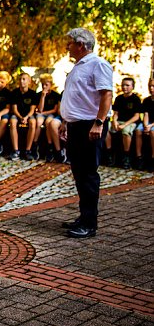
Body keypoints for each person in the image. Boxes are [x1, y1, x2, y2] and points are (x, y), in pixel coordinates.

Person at [59, 27, 113, 238]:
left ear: (80, 45)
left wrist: (99, 123)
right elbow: (75, 97)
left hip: (90, 126)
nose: (68, 47)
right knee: (79, 173)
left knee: (88, 174)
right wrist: (66, 121)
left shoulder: (98, 64)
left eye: (70, 43)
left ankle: (89, 224)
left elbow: (106, 94)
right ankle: (83, 217)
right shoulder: (78, 66)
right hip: (76, 125)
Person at [105, 77, 141, 169]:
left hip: (130, 122)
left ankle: (126, 157)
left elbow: (136, 116)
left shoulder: (136, 99)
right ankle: (109, 154)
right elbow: (116, 113)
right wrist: (114, 121)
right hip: (119, 121)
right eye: (123, 85)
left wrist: (124, 125)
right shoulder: (119, 98)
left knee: (126, 131)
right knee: (106, 128)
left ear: (132, 87)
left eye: (127, 85)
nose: (124, 87)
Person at [8, 73, 39, 160]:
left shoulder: (33, 94)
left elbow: (32, 110)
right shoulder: (14, 93)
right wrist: (21, 117)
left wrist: (26, 117)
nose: (22, 81)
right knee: (12, 122)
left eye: (24, 79)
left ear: (29, 81)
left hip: (28, 115)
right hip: (17, 114)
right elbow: (14, 109)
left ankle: (28, 150)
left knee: (33, 122)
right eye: (20, 79)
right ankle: (16, 150)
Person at [34, 74, 64, 163]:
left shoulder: (55, 95)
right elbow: (40, 109)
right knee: (38, 122)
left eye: (46, 84)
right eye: (43, 84)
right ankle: (35, 145)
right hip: (41, 114)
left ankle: (50, 146)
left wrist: (42, 113)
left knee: (48, 122)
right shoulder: (39, 95)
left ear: (51, 84)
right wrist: (43, 97)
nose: (44, 87)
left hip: (50, 114)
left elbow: (54, 110)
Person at [137, 78, 154, 171]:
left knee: (152, 132)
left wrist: (150, 126)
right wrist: (145, 125)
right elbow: (146, 114)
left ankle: (152, 158)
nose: (151, 88)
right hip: (148, 122)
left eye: (153, 86)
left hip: (153, 124)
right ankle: (139, 157)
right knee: (138, 131)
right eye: (150, 86)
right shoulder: (146, 100)